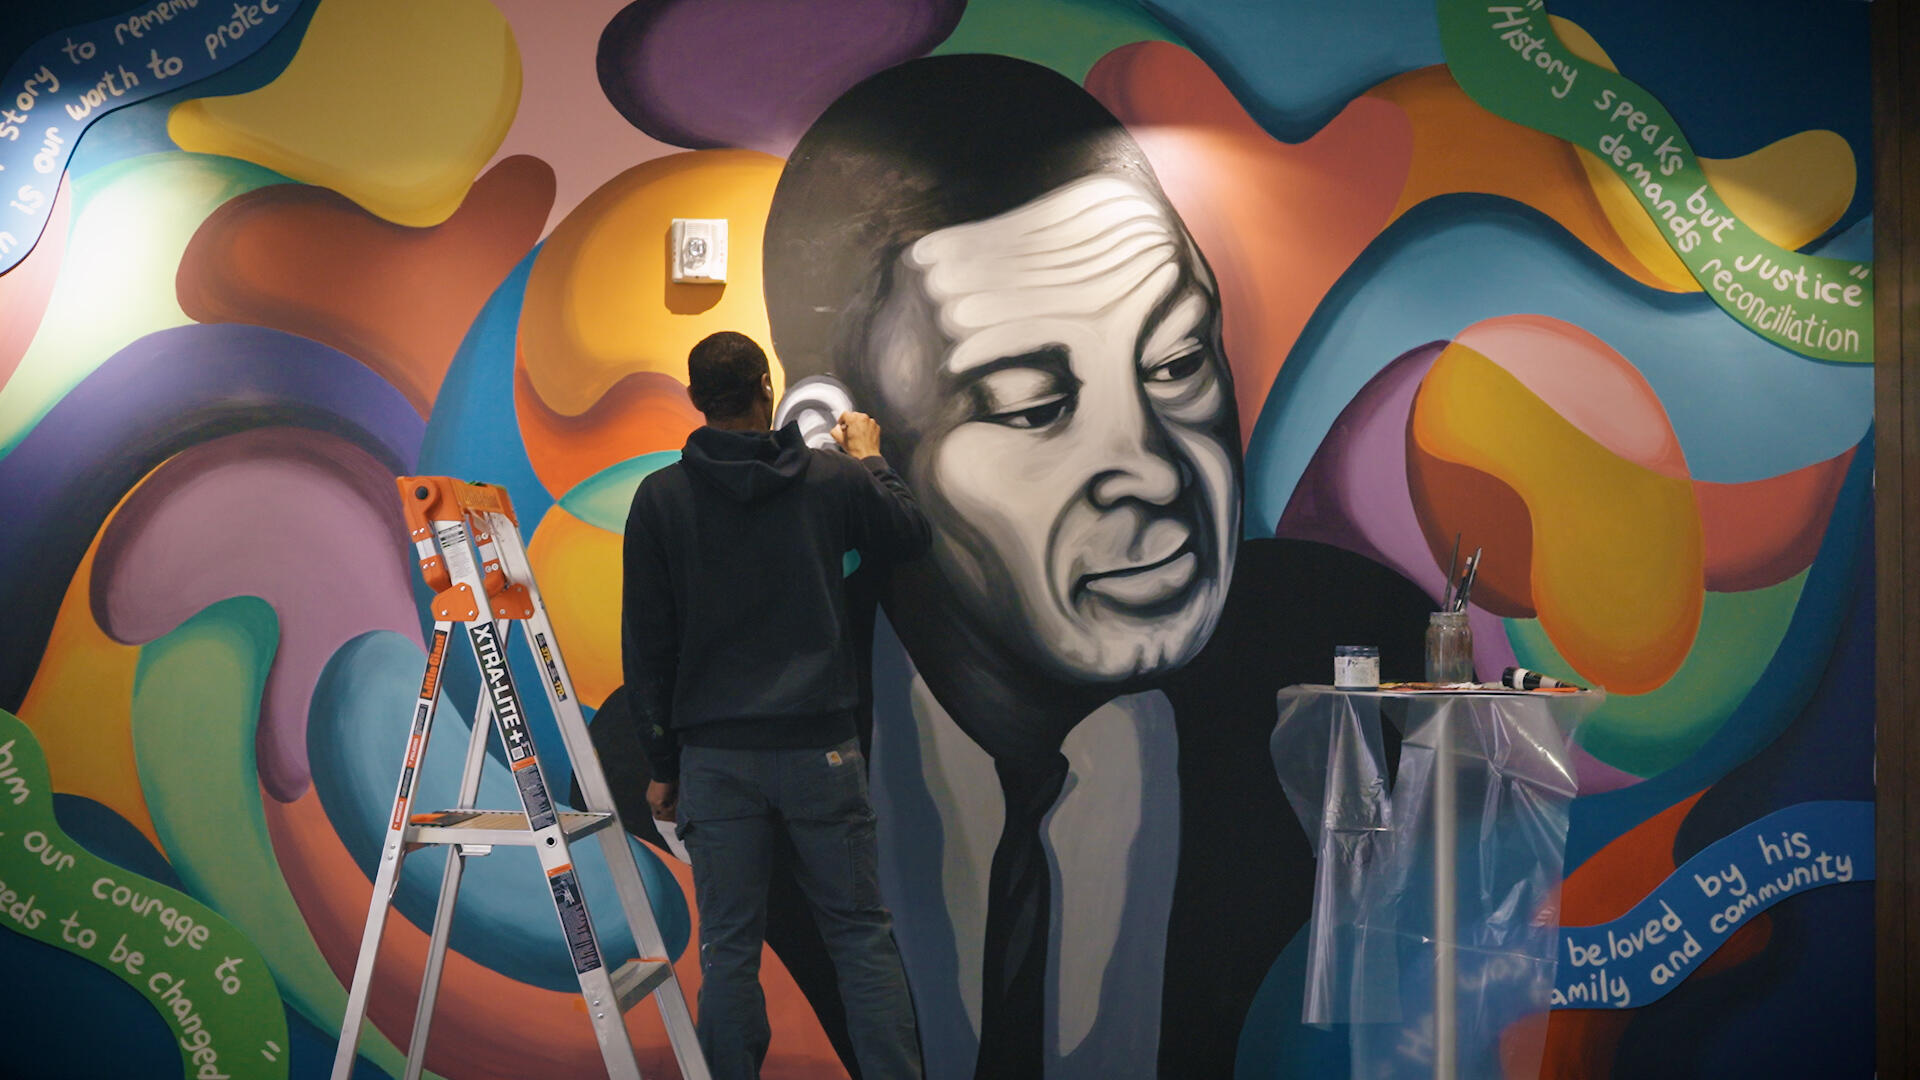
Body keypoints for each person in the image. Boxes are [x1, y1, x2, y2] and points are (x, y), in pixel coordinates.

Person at [763, 56, 1431, 1079]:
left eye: (1175, 363)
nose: (1156, 472)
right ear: (840, 450)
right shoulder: (704, 752)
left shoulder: (1369, 683)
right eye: (1035, 408)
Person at [622, 329, 932, 1080]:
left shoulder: (661, 498)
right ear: (767, 389)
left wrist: (661, 763)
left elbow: (648, 648)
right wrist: (870, 456)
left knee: (729, 946)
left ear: (697, 402)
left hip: (717, 759)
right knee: (859, 937)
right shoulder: (830, 479)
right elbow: (909, 534)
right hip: (821, 749)